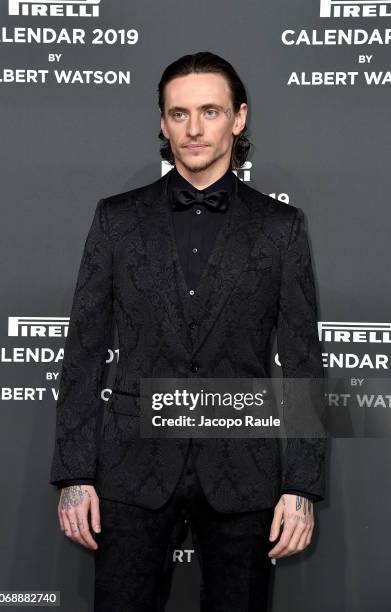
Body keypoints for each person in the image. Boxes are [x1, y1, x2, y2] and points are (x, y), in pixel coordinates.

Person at [50, 51, 326, 611]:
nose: (194, 129)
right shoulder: (116, 219)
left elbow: (302, 362)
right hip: (130, 470)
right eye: (179, 114)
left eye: (210, 111)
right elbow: (82, 352)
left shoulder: (281, 229)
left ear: (239, 118)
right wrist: (75, 475)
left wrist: (300, 486)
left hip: (243, 472)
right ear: (161, 122)